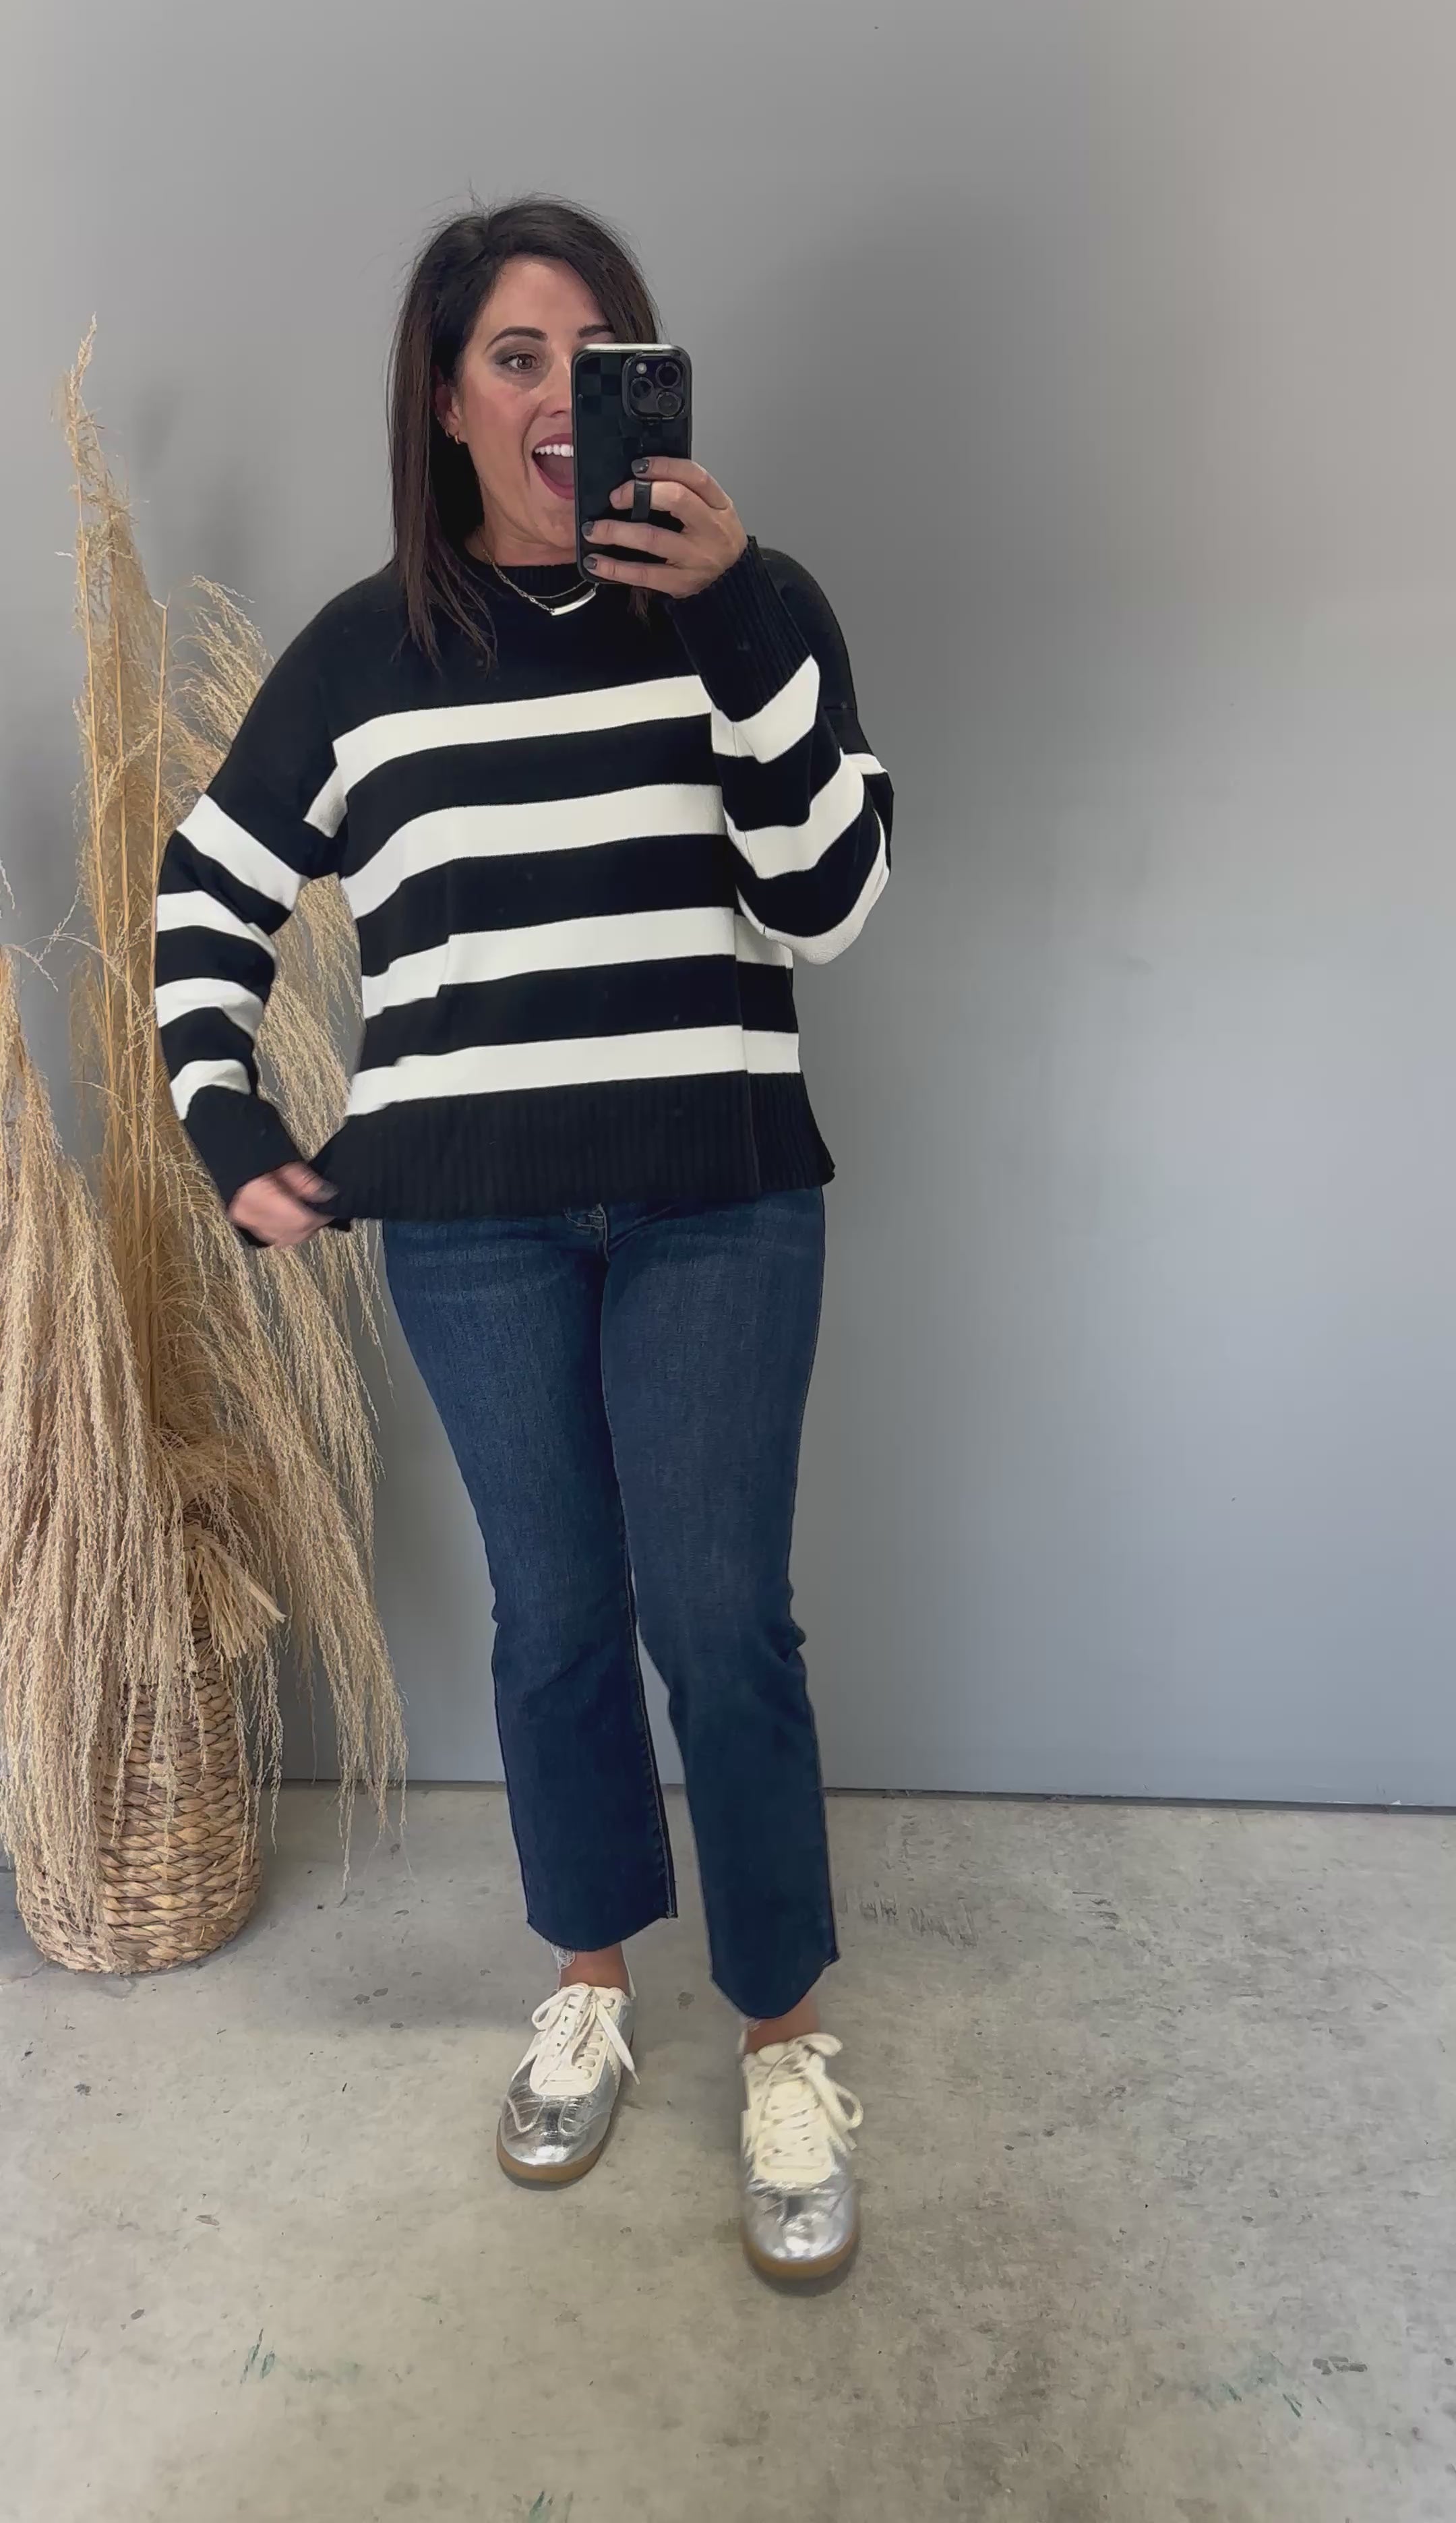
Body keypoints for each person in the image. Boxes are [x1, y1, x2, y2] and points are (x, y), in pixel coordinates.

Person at [153, 197, 892, 2285]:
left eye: (599, 354)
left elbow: (830, 901)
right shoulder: (361, 657)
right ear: (448, 401)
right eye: (516, 358)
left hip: (718, 1204)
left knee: (723, 1627)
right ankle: (588, 1984)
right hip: (472, 1229)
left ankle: (785, 2039)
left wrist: (738, 622)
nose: (563, 395)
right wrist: (229, 1121)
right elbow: (206, 900)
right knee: (555, 1619)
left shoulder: (759, 609)